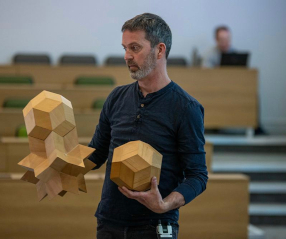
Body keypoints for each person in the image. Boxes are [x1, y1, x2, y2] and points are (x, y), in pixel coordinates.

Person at [88, 13, 208, 239]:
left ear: (159, 50)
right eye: (124, 48)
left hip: (155, 226)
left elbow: (198, 176)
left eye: (134, 48)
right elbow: (96, 154)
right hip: (109, 221)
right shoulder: (116, 97)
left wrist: (163, 205)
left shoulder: (186, 108)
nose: (127, 56)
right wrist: (61, 166)